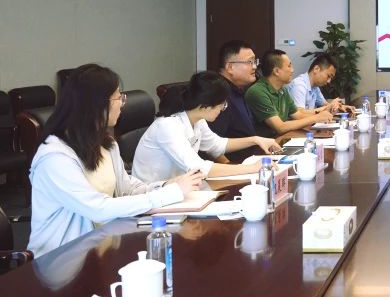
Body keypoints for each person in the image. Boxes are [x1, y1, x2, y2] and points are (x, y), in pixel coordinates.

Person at [27, 64, 202, 258]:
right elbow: (98, 208)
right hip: (61, 260)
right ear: (97, 105)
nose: (122, 104)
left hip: (102, 248)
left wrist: (166, 185)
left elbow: (127, 189)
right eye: (119, 97)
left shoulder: (105, 144)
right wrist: (170, 193)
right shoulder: (54, 157)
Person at [133, 71, 283, 182]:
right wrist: (252, 168)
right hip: (154, 195)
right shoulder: (167, 126)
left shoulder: (197, 119)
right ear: (206, 106)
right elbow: (199, 167)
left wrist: (256, 139)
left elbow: (217, 145)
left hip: (179, 190)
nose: (223, 108)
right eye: (222, 104)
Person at [245, 49, 322, 137]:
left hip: (280, 139)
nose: (292, 70)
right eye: (289, 66)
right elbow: (280, 127)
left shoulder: (282, 90)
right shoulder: (257, 91)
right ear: (276, 71)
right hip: (265, 143)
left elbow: (298, 115)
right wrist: (316, 118)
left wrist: (323, 114)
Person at [208, 40, 259, 139]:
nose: (254, 67)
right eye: (250, 62)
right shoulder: (218, 94)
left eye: (254, 62)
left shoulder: (238, 89)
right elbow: (214, 143)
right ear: (230, 67)